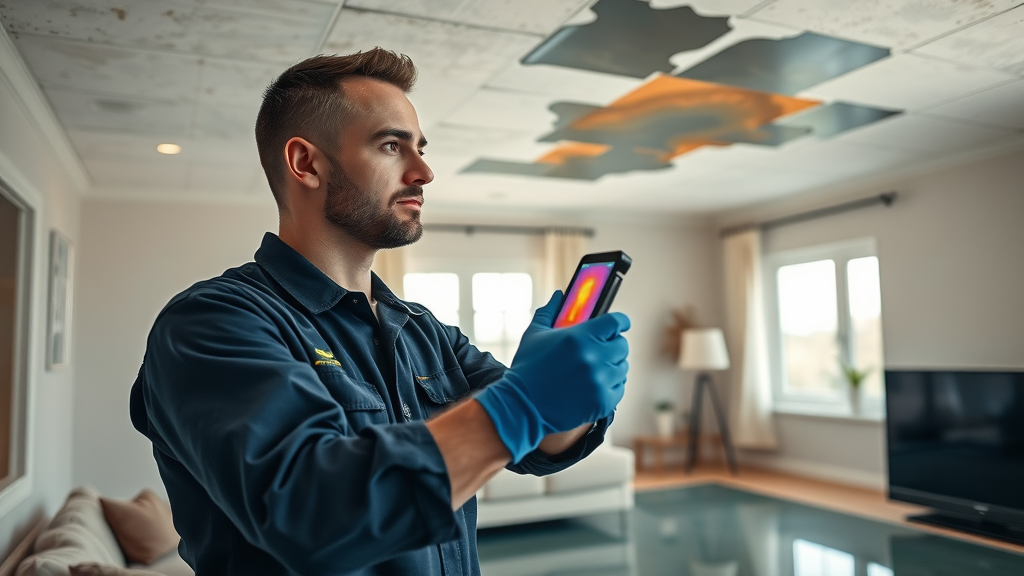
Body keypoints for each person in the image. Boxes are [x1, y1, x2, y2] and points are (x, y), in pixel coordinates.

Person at [129, 48, 631, 576]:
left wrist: (570, 391)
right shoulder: (212, 323)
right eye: (392, 145)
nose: (424, 172)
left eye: (420, 148)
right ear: (306, 163)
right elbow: (310, 513)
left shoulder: (421, 330)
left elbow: (539, 446)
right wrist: (522, 404)